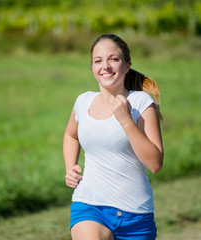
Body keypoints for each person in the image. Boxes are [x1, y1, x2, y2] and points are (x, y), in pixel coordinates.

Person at [63, 33, 164, 240]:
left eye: (114, 59)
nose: (105, 66)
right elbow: (71, 135)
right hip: (89, 206)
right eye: (98, 61)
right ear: (92, 67)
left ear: (127, 65)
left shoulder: (141, 102)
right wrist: (70, 166)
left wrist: (126, 120)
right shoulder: (83, 101)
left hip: (136, 215)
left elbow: (155, 163)